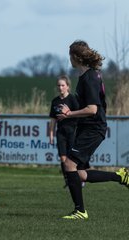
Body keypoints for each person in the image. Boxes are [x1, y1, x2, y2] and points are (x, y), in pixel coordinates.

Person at [58, 40, 129, 220]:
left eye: (70, 55)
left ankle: (80, 211)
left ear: (76, 57)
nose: (69, 59)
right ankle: (120, 177)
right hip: (88, 127)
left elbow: (92, 109)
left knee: (69, 165)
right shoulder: (88, 76)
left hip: (93, 128)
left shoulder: (89, 78)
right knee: (78, 173)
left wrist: (69, 114)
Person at [49, 75, 79, 188]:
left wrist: (68, 115)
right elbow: (52, 119)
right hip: (60, 133)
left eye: (63, 85)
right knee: (63, 158)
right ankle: (67, 180)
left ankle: (78, 179)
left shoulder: (72, 99)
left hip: (72, 132)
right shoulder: (55, 101)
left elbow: (79, 115)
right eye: (59, 85)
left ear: (67, 86)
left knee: (72, 159)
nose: (60, 87)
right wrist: (51, 134)